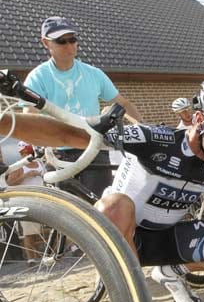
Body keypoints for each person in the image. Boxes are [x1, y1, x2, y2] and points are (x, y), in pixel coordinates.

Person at [1, 76, 204, 302]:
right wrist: (6, 123)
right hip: (125, 234)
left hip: (168, 239)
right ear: (199, 119)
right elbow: (69, 134)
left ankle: (171, 271)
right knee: (115, 204)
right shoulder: (155, 140)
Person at [22, 16, 142, 197]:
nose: (70, 46)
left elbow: (123, 103)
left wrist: (144, 129)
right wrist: (38, 144)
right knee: (68, 215)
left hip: (93, 149)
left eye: (73, 39)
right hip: (59, 154)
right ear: (46, 43)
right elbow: (29, 115)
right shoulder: (37, 77)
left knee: (101, 209)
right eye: (61, 41)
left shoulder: (94, 74)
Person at [5, 141, 46, 263]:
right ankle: (31, 258)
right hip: (27, 200)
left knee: (41, 229)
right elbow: (9, 183)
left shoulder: (39, 163)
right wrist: (26, 176)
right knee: (29, 231)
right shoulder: (19, 166)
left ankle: (41, 255)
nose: (25, 154)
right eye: (22, 152)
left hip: (41, 198)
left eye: (27, 151)